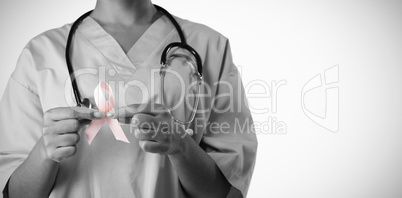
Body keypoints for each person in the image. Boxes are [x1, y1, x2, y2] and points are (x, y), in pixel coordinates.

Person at [0, 0, 257, 197]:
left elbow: (226, 191)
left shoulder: (209, 46)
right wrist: (44, 153)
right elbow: (14, 192)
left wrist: (180, 145)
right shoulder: (41, 53)